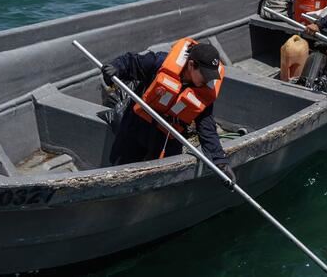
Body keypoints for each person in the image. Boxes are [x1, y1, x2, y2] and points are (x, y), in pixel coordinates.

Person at [101, 39, 235, 188]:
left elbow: (207, 129)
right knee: (120, 168)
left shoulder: (203, 92)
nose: (208, 80)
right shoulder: (159, 62)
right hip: (136, 126)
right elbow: (131, 62)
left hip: (167, 138)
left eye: (211, 76)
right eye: (205, 75)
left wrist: (221, 163)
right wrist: (115, 68)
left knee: (162, 181)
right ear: (191, 65)